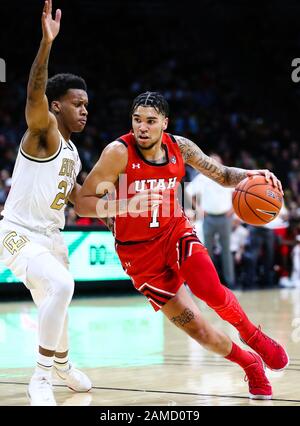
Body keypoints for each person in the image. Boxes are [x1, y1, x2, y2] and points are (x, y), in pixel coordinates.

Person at [75, 91, 288, 400]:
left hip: (175, 233)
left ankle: (252, 335)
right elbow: (83, 204)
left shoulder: (181, 147)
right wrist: (127, 204)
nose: (142, 128)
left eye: (150, 121)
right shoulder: (118, 152)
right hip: (138, 254)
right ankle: (250, 364)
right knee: (200, 331)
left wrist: (252, 174)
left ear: (165, 123)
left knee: (209, 289)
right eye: (137, 120)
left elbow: (224, 175)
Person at [0, 1, 91, 405]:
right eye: (77, 103)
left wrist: (130, 207)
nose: (84, 109)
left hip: (52, 236)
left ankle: (63, 364)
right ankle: (40, 377)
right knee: (62, 285)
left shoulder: (72, 154)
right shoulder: (44, 132)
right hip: (17, 233)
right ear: (56, 106)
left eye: (86, 104)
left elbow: (83, 204)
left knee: (57, 301)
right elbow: (35, 90)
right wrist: (46, 44)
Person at [185, 158, 236, 288]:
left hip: (225, 217)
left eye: (216, 161)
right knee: (207, 251)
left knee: (226, 250)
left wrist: (233, 208)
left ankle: (230, 282)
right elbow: (188, 191)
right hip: (208, 218)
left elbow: (237, 193)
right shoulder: (202, 177)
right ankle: (211, 283)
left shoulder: (227, 175)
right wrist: (198, 208)